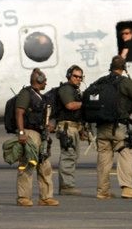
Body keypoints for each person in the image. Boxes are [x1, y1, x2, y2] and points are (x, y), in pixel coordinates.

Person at [95, 56, 132, 200]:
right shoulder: (125, 82)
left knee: (104, 158)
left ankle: (102, 191)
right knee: (126, 154)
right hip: (118, 126)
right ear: (124, 68)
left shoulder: (100, 81)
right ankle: (127, 188)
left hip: (101, 126)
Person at [15, 68, 59, 207]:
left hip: (41, 133)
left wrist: (49, 127)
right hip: (30, 133)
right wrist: (21, 132)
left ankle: (46, 197)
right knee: (28, 164)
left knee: (45, 165)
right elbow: (19, 112)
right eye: (44, 80)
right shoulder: (26, 94)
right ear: (38, 81)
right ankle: (23, 197)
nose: (46, 83)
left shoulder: (41, 97)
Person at [55, 65, 85, 195]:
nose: (78, 79)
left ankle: (67, 184)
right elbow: (70, 105)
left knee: (72, 156)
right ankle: (67, 187)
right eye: (75, 76)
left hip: (74, 127)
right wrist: (87, 103)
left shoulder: (75, 90)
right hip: (67, 128)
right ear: (69, 76)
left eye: (80, 77)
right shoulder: (66, 89)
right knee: (68, 156)